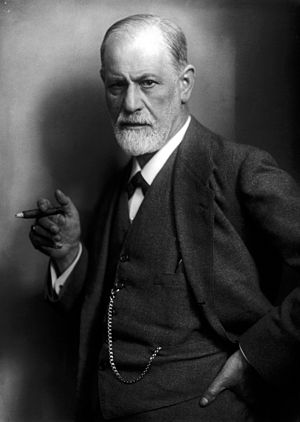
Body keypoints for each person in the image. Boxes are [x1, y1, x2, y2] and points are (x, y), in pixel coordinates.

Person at [29, 14, 300, 421]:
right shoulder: (118, 183)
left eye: (148, 83)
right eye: (116, 85)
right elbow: (115, 301)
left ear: (185, 84)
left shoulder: (239, 169)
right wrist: (68, 255)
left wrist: (253, 358)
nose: (130, 104)